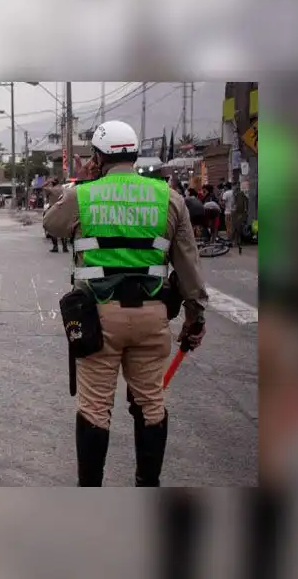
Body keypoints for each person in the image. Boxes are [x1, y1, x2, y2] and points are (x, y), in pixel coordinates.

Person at [43, 120, 207, 487]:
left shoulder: (82, 195)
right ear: (133, 155)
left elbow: (51, 225)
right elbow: (189, 268)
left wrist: (80, 184)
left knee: (95, 409)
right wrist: (195, 318)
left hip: (99, 318)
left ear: (98, 158)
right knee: (151, 405)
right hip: (152, 317)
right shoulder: (169, 197)